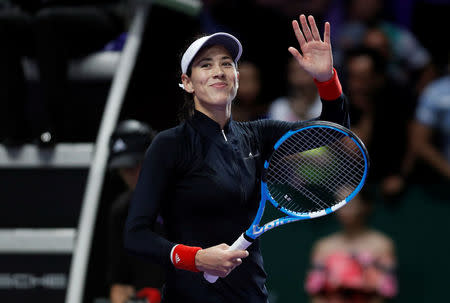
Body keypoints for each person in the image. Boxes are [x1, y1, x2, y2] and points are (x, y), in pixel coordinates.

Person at [124, 14, 350, 302]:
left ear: (237, 78)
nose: (218, 71)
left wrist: (325, 79)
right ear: (188, 83)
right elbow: (135, 235)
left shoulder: (259, 134)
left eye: (227, 64)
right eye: (206, 65)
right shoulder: (169, 145)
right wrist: (197, 258)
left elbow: (332, 132)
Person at [0, 1, 127, 145]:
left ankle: (55, 126)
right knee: (5, 23)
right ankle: (13, 129)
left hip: (95, 13)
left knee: (47, 21)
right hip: (41, 17)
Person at [106, 120, 165, 303]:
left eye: (134, 166)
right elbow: (119, 283)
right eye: (123, 169)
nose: (129, 174)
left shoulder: (188, 201)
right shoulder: (121, 211)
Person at [305, 188, 397, 302]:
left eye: (350, 202)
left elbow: (383, 294)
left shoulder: (383, 245)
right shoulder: (323, 246)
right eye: (339, 202)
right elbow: (315, 294)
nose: (344, 208)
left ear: (365, 206)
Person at [267, 56, 322, 122]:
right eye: (294, 72)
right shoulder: (279, 107)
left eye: (304, 72)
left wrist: (304, 116)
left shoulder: (328, 104)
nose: (299, 77)